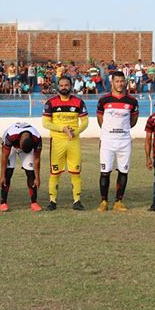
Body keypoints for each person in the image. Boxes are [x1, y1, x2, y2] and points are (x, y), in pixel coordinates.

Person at [41, 76, 89, 211]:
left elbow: (85, 122)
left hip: (73, 141)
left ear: (71, 86)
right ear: (58, 86)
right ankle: (52, 201)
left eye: (66, 85)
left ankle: (77, 201)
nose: (64, 88)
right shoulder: (50, 103)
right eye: (61, 85)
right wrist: (63, 129)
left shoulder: (78, 102)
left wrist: (75, 132)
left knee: (75, 172)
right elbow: (45, 123)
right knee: (55, 173)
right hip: (57, 142)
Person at [96, 71, 139, 211]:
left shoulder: (132, 101)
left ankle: (119, 201)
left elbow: (133, 121)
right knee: (105, 172)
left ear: (125, 82)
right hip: (108, 141)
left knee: (123, 171)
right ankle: (103, 201)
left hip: (124, 141)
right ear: (112, 82)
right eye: (117, 81)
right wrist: (108, 132)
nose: (120, 84)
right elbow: (100, 120)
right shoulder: (104, 100)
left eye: (122, 81)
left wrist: (122, 130)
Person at [0, 122, 43, 212]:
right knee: (8, 172)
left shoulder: (37, 138)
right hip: (12, 147)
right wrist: (2, 175)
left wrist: (37, 177)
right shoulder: (10, 136)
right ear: (20, 141)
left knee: (31, 173)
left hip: (26, 146)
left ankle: (34, 202)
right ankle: (3, 203)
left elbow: (37, 159)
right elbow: (4, 156)